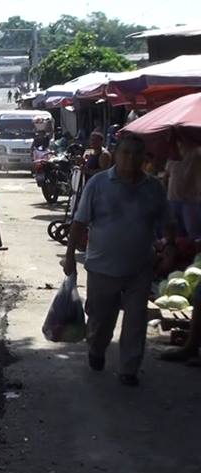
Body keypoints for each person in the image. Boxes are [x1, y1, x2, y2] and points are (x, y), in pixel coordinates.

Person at [63, 134, 175, 387]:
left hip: (140, 267)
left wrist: (170, 246)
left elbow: (167, 221)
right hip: (102, 267)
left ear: (144, 158)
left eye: (137, 154)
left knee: (136, 320)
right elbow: (79, 223)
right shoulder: (99, 184)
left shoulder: (153, 188)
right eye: (126, 153)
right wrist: (69, 256)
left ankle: (129, 368)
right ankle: (96, 349)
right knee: (101, 320)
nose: (131, 159)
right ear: (115, 155)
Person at [163, 139, 201, 240]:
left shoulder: (197, 151)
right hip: (173, 198)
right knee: (175, 234)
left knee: (193, 234)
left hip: (191, 200)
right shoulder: (173, 154)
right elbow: (167, 175)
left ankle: (195, 255)